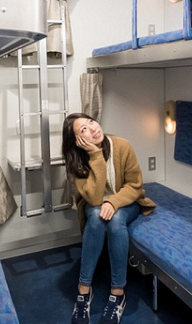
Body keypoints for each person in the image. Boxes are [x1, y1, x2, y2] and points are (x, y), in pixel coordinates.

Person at [62, 113, 156, 324]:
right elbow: (95, 199)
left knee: (115, 220)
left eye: (91, 122)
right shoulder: (78, 160)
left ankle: (117, 293)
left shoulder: (122, 145)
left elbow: (134, 186)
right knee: (96, 216)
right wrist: (95, 156)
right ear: (77, 140)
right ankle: (84, 290)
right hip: (95, 206)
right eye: (84, 129)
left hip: (126, 202)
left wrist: (113, 202)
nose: (93, 128)